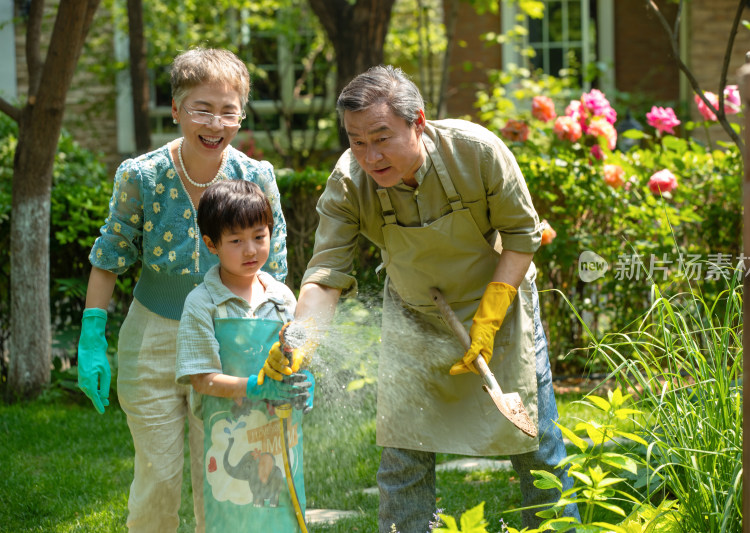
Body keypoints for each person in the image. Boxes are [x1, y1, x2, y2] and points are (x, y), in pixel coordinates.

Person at [262, 65, 581, 531]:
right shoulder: (349, 182)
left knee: (538, 446)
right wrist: (301, 341)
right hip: (413, 313)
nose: (370, 155)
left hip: (501, 308)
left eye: (382, 137)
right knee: (403, 455)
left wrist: (489, 317)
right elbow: (326, 275)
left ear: (419, 122)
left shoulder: (476, 151)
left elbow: (521, 236)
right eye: (356, 140)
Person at [76, 47, 288, 533]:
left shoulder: (256, 177)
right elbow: (109, 256)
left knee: (224, 480)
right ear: (175, 110)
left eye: (228, 110)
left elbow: (274, 266)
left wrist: (282, 348)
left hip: (232, 340)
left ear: (241, 114)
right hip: (153, 340)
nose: (216, 122)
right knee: (160, 476)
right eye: (202, 108)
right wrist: (92, 337)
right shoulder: (141, 176)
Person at [176, 180, 314, 532]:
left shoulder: (282, 297)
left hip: (280, 435)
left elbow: (299, 357)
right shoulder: (203, 304)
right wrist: (256, 387)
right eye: (236, 240)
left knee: (283, 517)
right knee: (234, 517)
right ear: (212, 245)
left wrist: (304, 384)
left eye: (259, 235)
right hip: (232, 438)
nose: (251, 249)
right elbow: (202, 379)